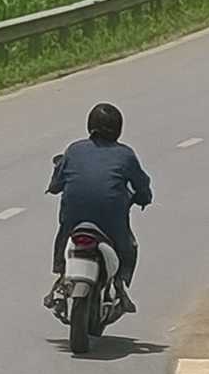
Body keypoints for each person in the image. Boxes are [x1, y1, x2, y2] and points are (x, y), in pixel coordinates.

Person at [45, 103, 153, 314]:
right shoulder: (125, 155)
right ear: (119, 129)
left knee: (64, 236)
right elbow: (142, 185)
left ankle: (61, 274)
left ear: (90, 125)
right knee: (128, 247)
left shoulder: (74, 149)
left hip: (74, 218)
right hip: (111, 221)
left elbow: (56, 183)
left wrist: (53, 187)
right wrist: (144, 198)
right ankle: (120, 284)